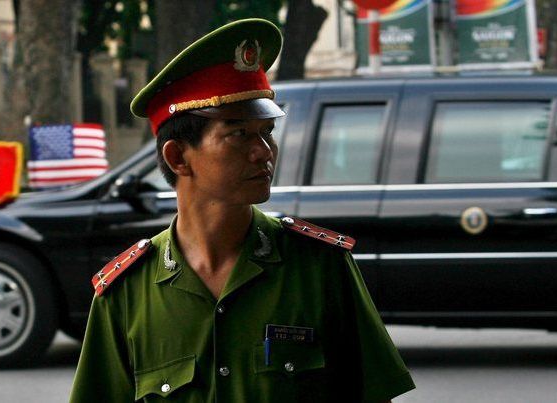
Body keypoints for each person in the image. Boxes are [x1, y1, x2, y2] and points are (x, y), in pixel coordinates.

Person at [70, 18, 415, 402]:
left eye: (267, 132)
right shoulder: (126, 293)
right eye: (239, 134)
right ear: (178, 157)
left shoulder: (320, 267)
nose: (264, 152)